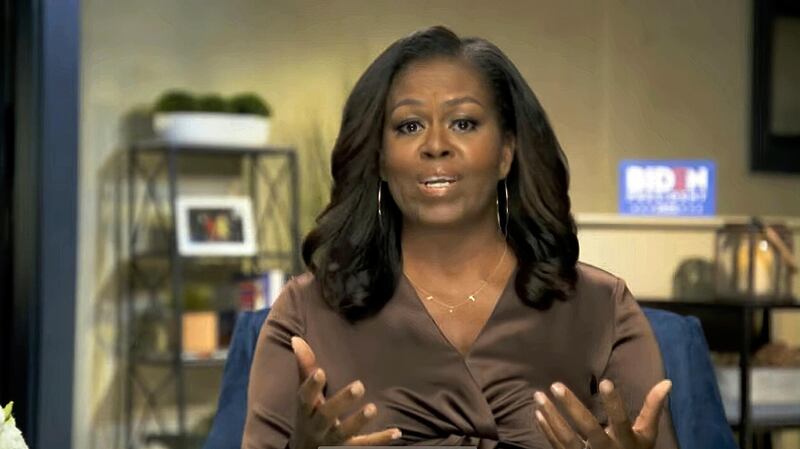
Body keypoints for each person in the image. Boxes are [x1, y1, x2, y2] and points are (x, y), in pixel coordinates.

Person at [242, 26, 678, 449]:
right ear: (378, 158)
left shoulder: (603, 308)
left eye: (464, 123)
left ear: (507, 153)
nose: (436, 145)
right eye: (409, 126)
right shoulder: (307, 313)